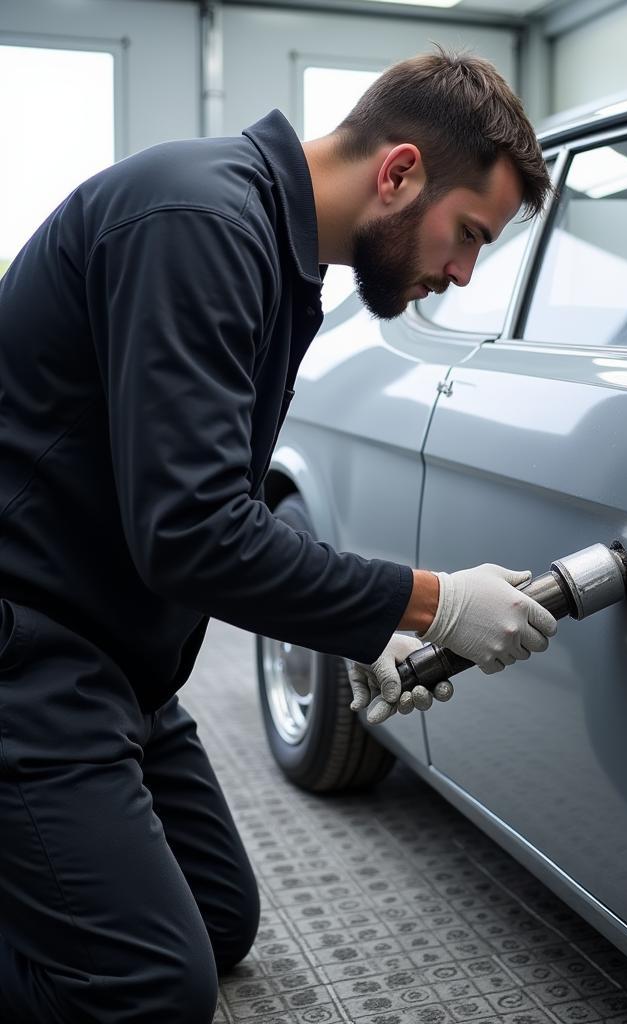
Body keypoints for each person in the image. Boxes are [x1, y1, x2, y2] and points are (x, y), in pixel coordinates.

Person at [0, 48, 556, 1024]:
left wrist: (369, 628)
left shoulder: (269, 245)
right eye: (467, 235)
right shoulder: (198, 224)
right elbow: (194, 534)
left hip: (118, 662)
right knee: (146, 989)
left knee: (217, 923)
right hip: (25, 648)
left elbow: (210, 513)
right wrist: (433, 601)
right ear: (399, 173)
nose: (463, 274)